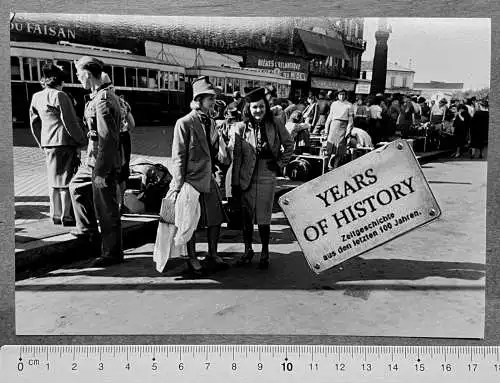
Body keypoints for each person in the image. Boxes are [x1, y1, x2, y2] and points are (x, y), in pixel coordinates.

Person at [168, 76, 230, 275]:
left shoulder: (212, 122)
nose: (213, 102)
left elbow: (215, 153)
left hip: (209, 177)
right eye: (210, 98)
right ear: (199, 99)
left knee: (215, 217)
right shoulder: (184, 123)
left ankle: (212, 253)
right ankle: (193, 257)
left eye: (213, 98)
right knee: (190, 220)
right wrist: (177, 185)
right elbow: (178, 156)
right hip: (191, 180)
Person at [231, 87, 294, 269]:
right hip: (246, 177)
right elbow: (237, 158)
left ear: (265, 106)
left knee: (264, 217)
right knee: (247, 217)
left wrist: (280, 163)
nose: (258, 111)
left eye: (260, 107)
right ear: (248, 109)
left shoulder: (275, 123)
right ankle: (248, 250)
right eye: (254, 108)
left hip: (267, 173)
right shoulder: (241, 128)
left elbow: (289, 145)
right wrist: (235, 183)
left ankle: (265, 251)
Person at [69, 56, 123, 267]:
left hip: (103, 162)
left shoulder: (103, 101)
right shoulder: (99, 96)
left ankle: (112, 253)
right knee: (77, 187)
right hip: (92, 159)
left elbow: (108, 139)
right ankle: (88, 232)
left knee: (106, 208)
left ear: (87, 74)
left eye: (78, 73)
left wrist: (100, 172)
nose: (76, 77)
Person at [29, 62, 87, 226]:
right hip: (64, 143)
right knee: (66, 179)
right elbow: (69, 122)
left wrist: (41, 142)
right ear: (61, 81)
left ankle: (55, 214)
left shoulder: (36, 97)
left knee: (52, 179)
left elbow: (34, 123)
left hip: (48, 143)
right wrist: (81, 140)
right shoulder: (60, 96)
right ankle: (66, 216)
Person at [101, 72, 135, 213]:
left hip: (111, 139)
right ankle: (123, 204)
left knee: (112, 172)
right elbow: (132, 124)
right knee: (123, 172)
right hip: (124, 138)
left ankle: (115, 205)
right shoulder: (121, 102)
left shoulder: (102, 101)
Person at [324, 89, 354, 169]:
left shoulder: (349, 105)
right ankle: (325, 167)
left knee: (340, 149)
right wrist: (326, 129)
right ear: (337, 95)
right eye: (340, 94)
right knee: (329, 148)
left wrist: (348, 131)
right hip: (333, 126)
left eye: (343, 94)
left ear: (345, 95)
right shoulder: (334, 104)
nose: (342, 96)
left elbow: (350, 120)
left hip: (343, 127)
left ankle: (335, 167)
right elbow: (330, 117)